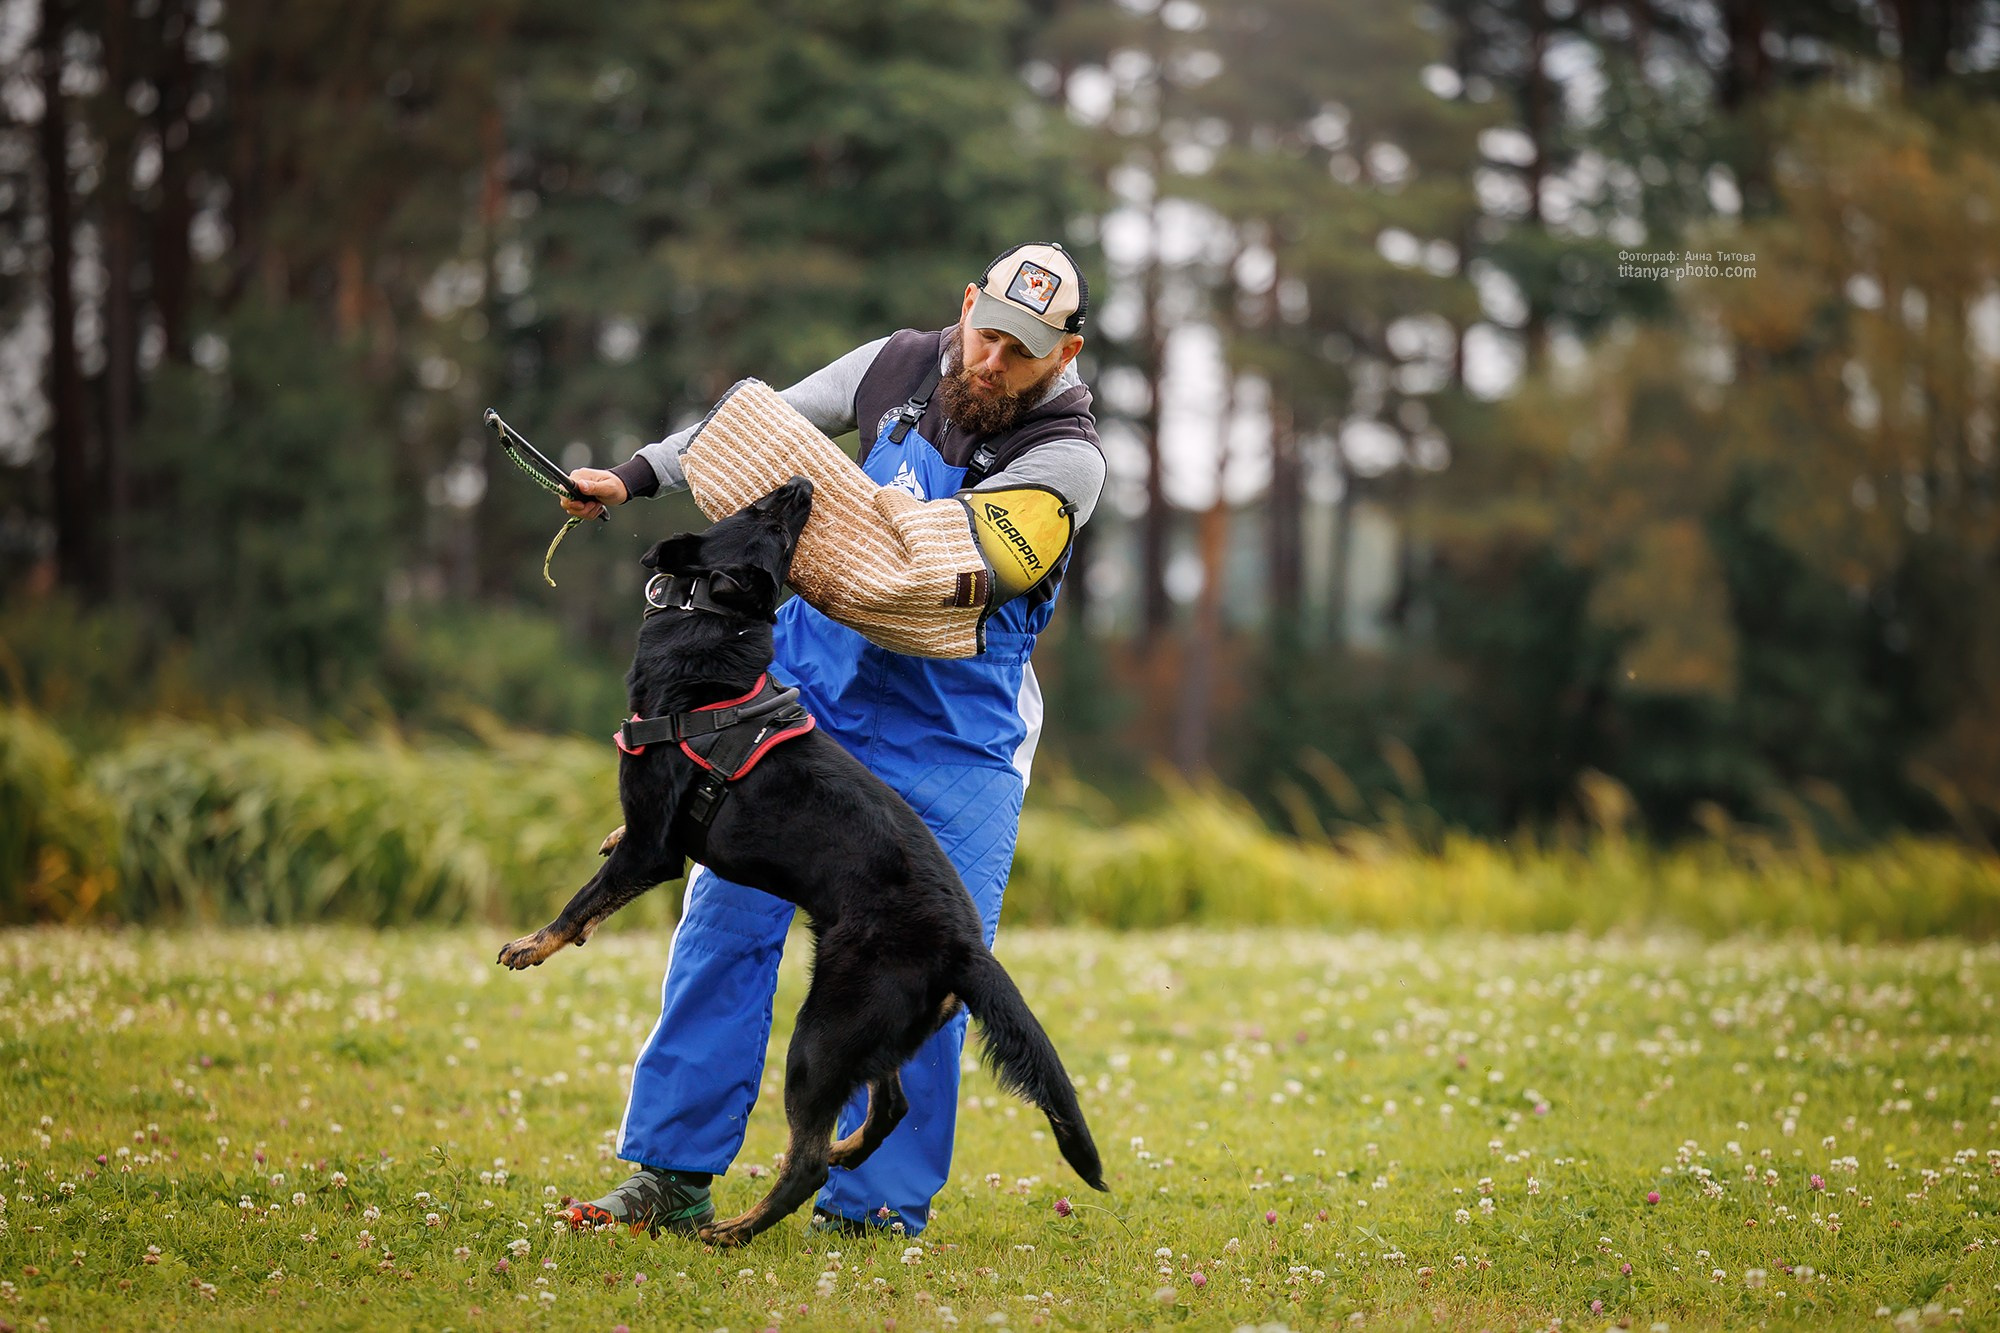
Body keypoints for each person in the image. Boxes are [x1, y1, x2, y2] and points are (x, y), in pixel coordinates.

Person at [555, 242, 1105, 1237]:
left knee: (928, 973)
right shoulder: (892, 363)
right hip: (807, 709)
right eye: (987, 334)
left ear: (1064, 354)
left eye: (1021, 353)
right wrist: (633, 478)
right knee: (724, 928)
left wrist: (820, 498)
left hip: (954, 745)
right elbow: (751, 432)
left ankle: (872, 1210)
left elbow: (932, 578)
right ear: (967, 303)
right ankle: (670, 1176)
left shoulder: (1066, 459)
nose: (991, 362)